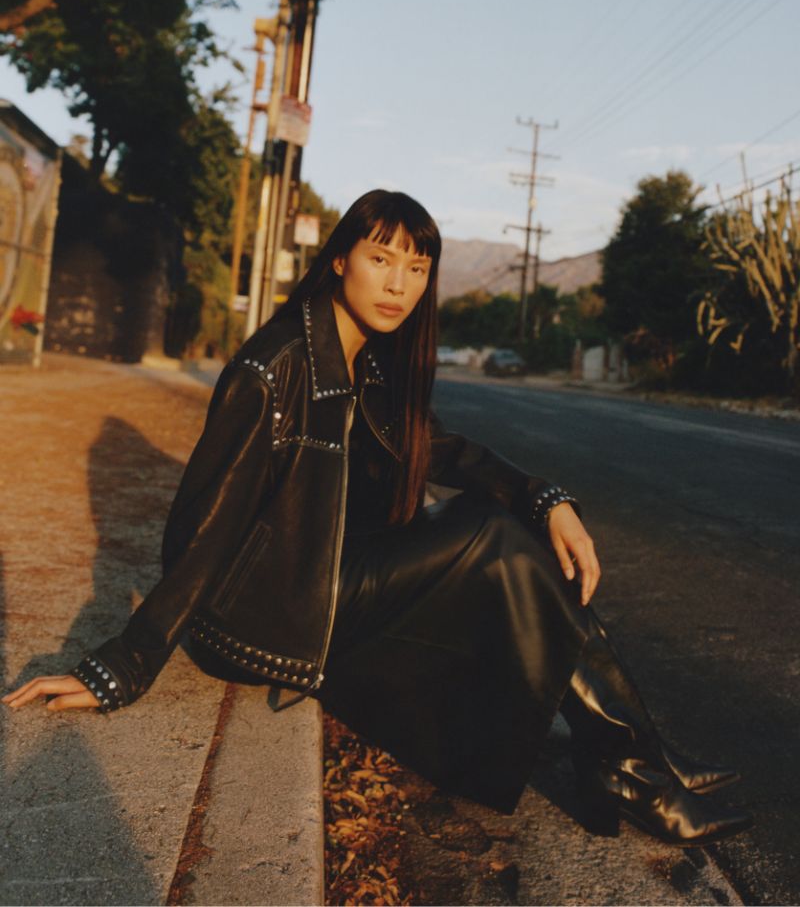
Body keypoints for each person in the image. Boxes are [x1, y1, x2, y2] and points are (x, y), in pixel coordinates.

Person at [3, 189, 751, 846]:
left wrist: (545, 498)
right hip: (267, 613)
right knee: (491, 539)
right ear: (340, 260)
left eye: (417, 268)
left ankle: (638, 756)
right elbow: (206, 528)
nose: (399, 284)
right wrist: (123, 665)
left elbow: (442, 450)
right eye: (381, 259)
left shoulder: (365, 358)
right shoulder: (274, 367)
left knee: (516, 528)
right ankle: (632, 767)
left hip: (329, 572)